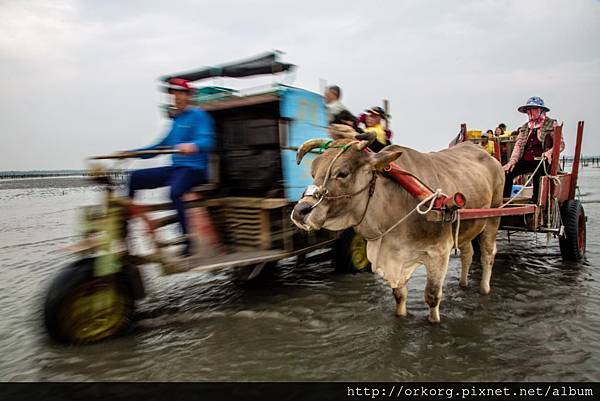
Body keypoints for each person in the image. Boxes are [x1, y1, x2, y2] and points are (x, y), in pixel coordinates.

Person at [126, 78, 215, 256]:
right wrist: (134, 153)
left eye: (180, 93)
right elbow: (159, 147)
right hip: (176, 169)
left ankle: (187, 239)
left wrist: (193, 146)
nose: (177, 97)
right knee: (134, 178)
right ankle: (126, 230)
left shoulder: (199, 115)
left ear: (188, 96)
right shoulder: (176, 121)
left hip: (195, 170)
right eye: (174, 94)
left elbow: (208, 140)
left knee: (175, 191)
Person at [502, 96, 564, 203]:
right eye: (528, 110)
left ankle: (536, 200)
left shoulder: (552, 124)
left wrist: (549, 153)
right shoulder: (525, 127)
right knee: (508, 173)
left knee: (538, 174)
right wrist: (512, 161)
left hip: (542, 161)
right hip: (526, 159)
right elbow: (518, 145)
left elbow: (561, 144)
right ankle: (505, 199)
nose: (531, 112)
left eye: (534, 109)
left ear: (541, 110)